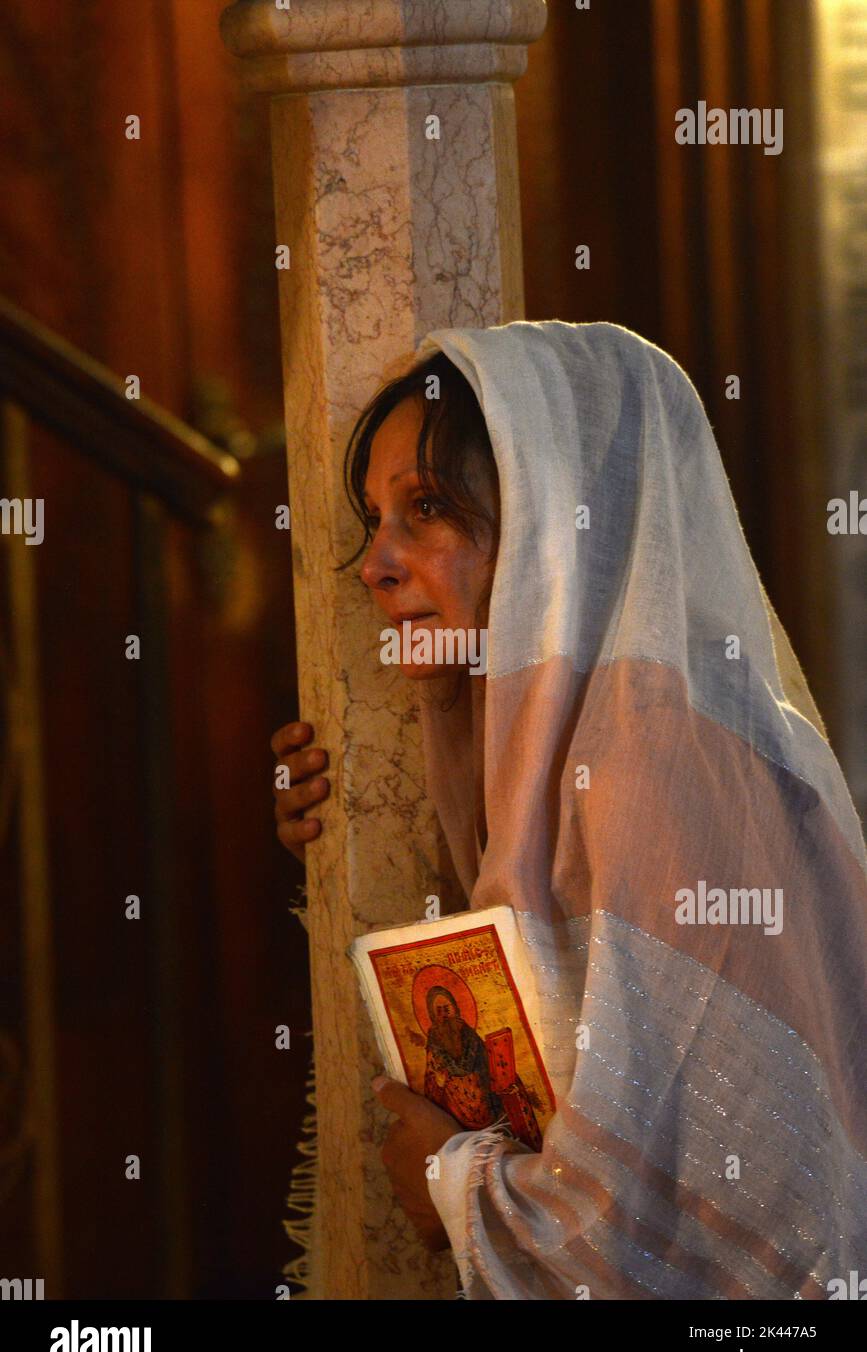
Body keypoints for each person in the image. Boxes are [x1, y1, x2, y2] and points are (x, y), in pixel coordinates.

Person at [272, 320, 867, 1300]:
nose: (377, 565)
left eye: (427, 509)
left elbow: (746, 1222)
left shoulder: (654, 754)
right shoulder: (555, 732)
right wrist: (331, 815)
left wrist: (456, 1186)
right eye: (374, 520)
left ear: (561, 522)